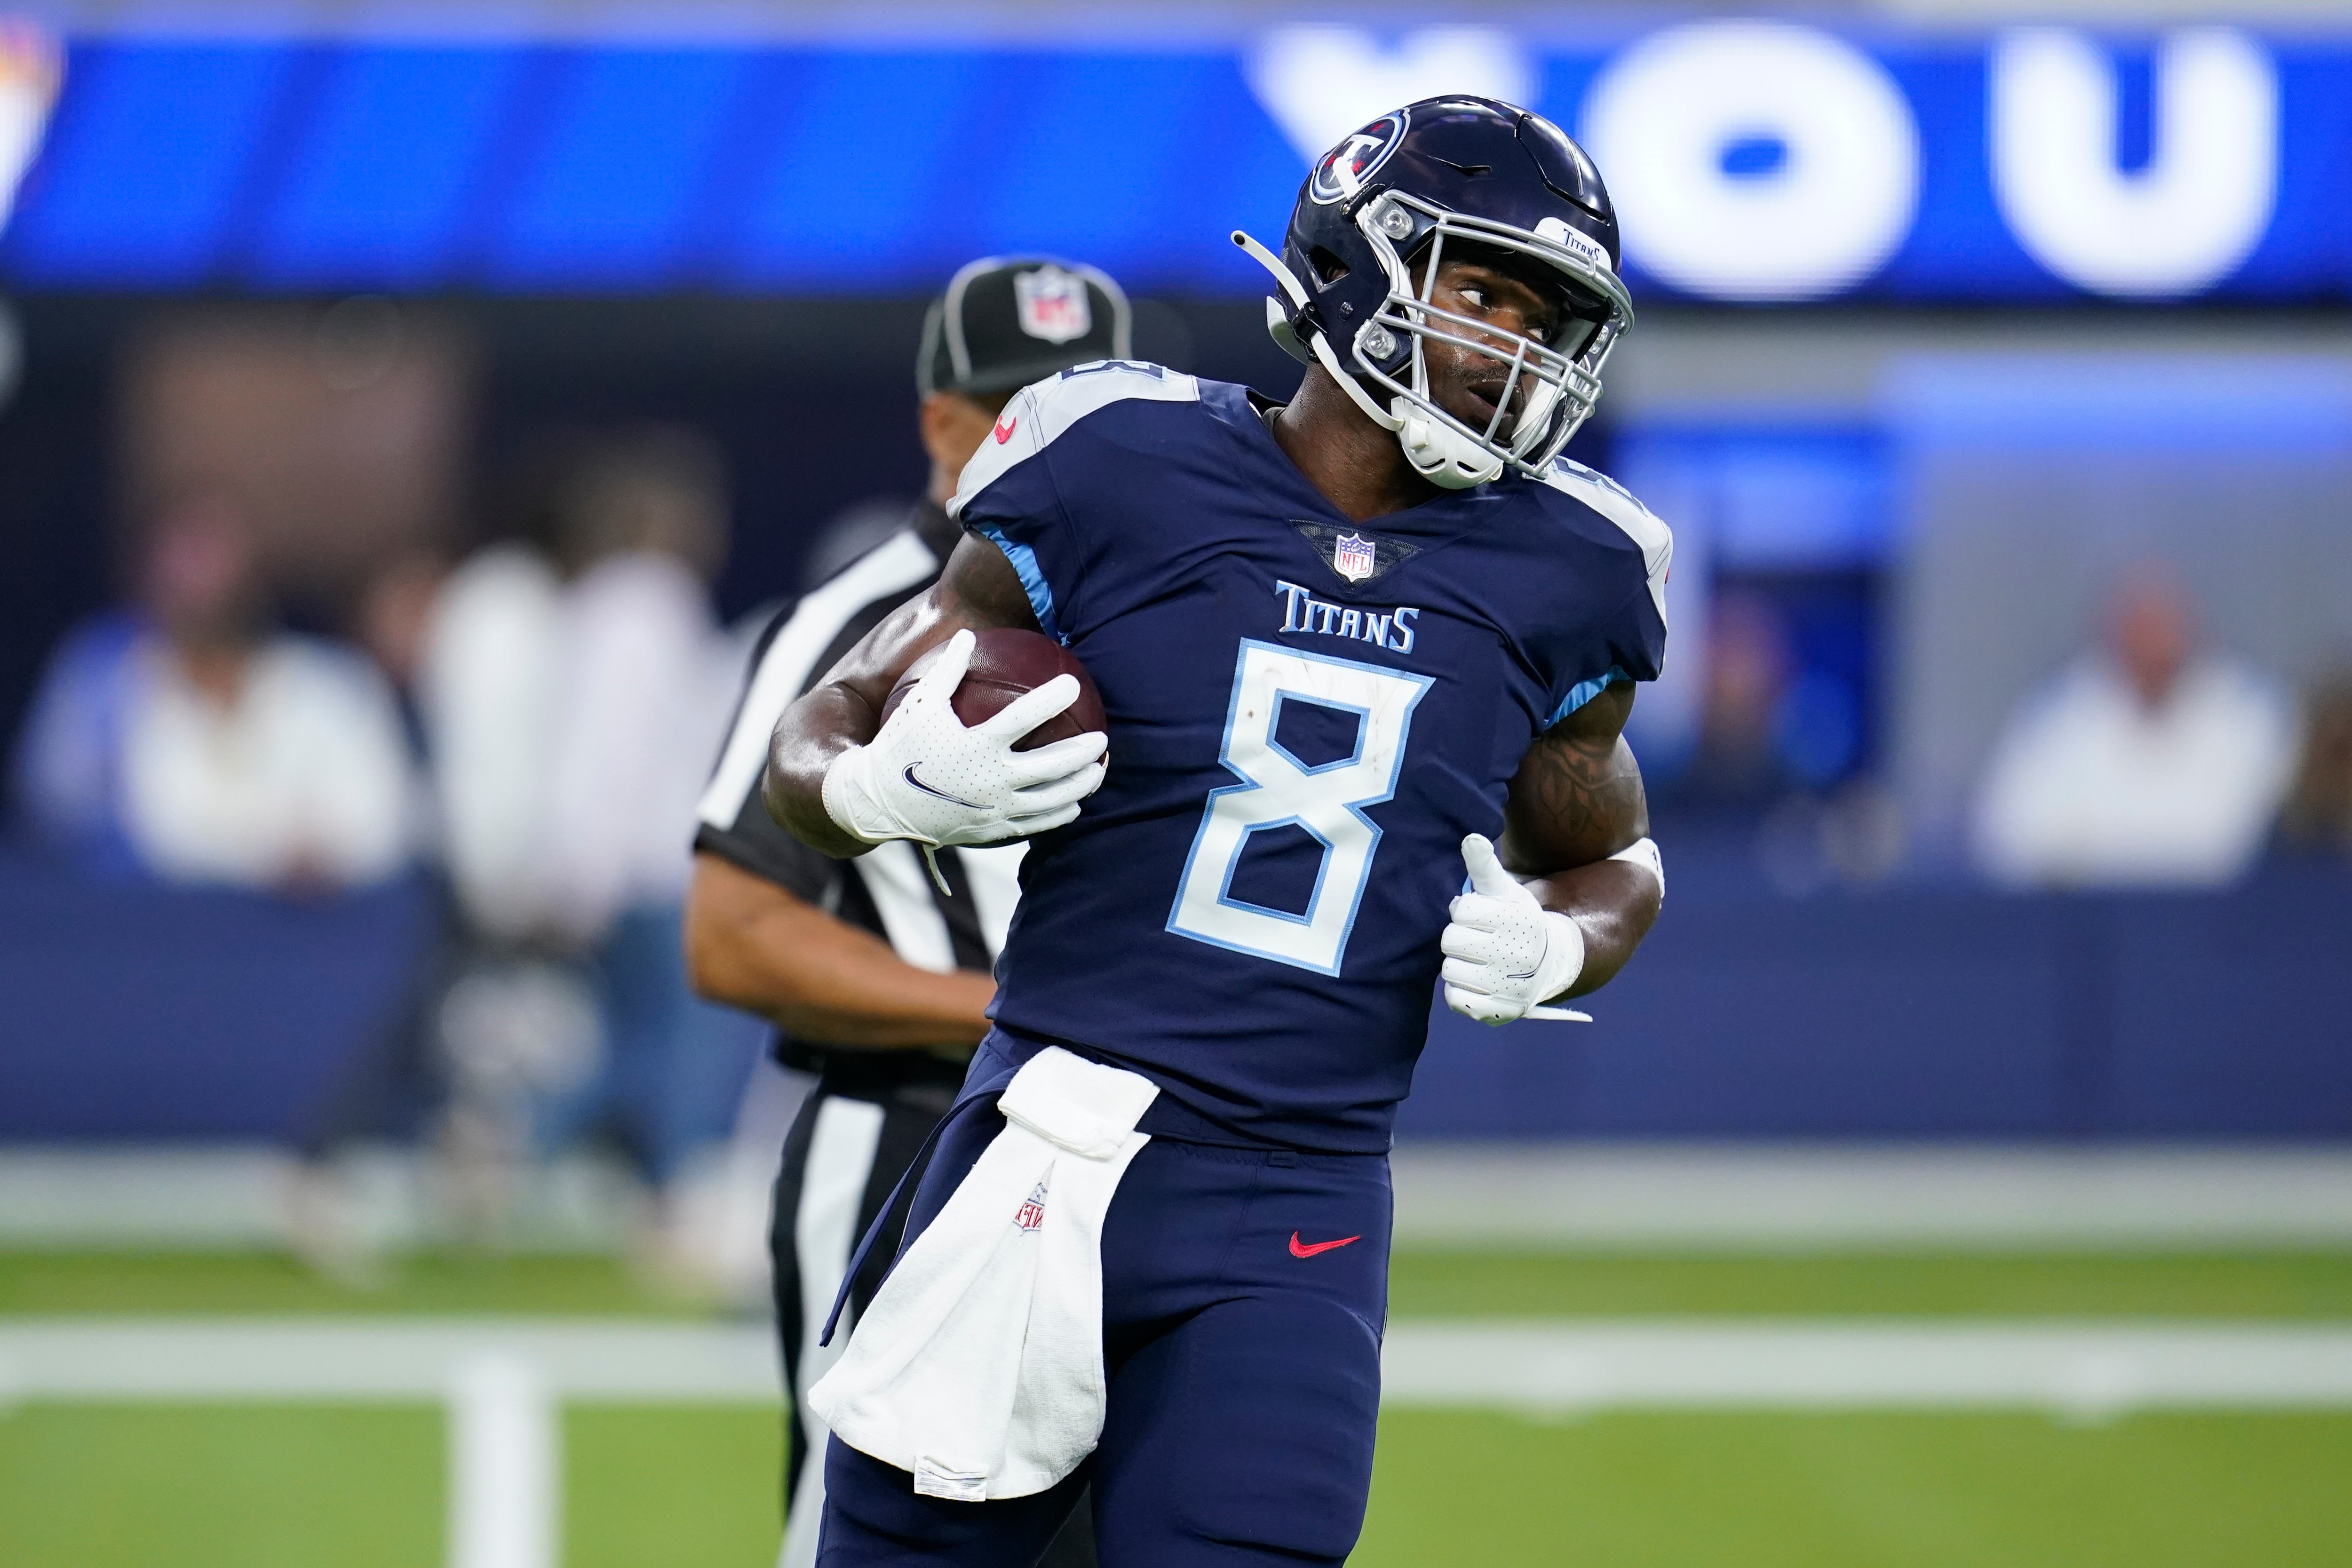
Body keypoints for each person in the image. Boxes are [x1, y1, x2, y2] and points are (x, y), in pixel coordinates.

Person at [759, 98, 1667, 1565]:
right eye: (1485, 293)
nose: (1518, 352)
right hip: (1039, 1146)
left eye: (1550, 320)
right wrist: (870, 790)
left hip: (1294, 1201)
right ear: (1358, 267)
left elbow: (1610, 854)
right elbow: (829, 721)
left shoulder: (1569, 565)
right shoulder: (1113, 455)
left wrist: (1569, 937)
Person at [687, 255, 1129, 1568]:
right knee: (871, 1529)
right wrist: (1007, 1012)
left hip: (1126, 1156)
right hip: (912, 1136)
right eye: (1015, 402)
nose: (1048, 432)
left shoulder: (1167, 592)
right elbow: (730, 929)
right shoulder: (861, 618)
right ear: (941, 420)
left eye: (1083, 400)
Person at [12, 488, 413, 891]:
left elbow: (385, 826)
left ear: (255, 567)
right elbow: (56, 809)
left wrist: (313, 858)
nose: (197, 579)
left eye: (211, 554)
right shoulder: (106, 676)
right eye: (180, 555)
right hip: (158, 927)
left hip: (327, 934)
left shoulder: (332, 685)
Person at [1973, 565, 2298, 888]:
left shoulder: (2248, 715)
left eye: (2162, 629)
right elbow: (2008, 840)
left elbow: (2280, 837)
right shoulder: (2057, 721)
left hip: (2230, 923)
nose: (2153, 644)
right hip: (2091, 923)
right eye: (2140, 628)